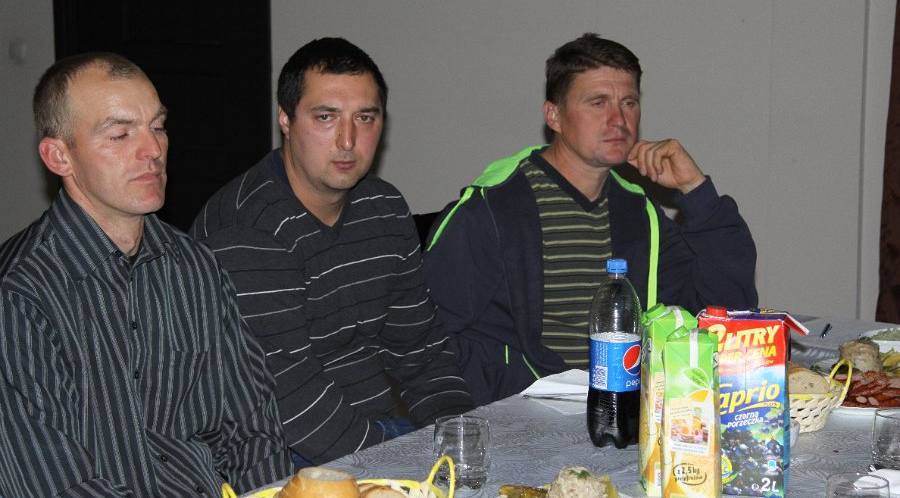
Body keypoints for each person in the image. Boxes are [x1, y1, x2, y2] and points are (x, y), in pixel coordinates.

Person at [0, 53, 293, 497]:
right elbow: (56, 485)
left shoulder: (194, 266)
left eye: (157, 127)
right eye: (120, 134)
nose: (153, 150)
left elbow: (253, 431)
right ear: (59, 156)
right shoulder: (19, 294)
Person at [424, 33, 758, 406]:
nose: (619, 120)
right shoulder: (493, 207)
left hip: (617, 409)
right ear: (554, 116)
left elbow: (724, 313)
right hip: (516, 412)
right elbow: (423, 336)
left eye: (629, 103)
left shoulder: (639, 213)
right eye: (598, 103)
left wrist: (696, 191)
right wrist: (505, 392)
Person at [190, 37, 474, 465]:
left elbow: (420, 349)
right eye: (326, 117)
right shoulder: (246, 228)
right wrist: (398, 464)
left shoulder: (384, 207)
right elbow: (287, 395)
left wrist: (457, 439)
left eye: (365, 118)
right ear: (285, 119)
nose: (347, 140)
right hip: (267, 455)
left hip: (373, 432)